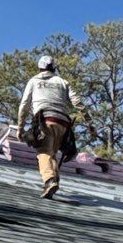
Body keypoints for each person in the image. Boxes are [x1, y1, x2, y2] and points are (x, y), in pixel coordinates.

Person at [16, 55, 83, 198]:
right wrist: (89, 121)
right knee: (52, 152)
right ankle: (53, 182)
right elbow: (77, 101)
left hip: (45, 120)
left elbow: (24, 105)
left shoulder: (34, 81)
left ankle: (49, 180)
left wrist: (20, 128)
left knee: (44, 152)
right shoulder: (63, 82)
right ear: (54, 68)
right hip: (63, 123)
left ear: (40, 68)